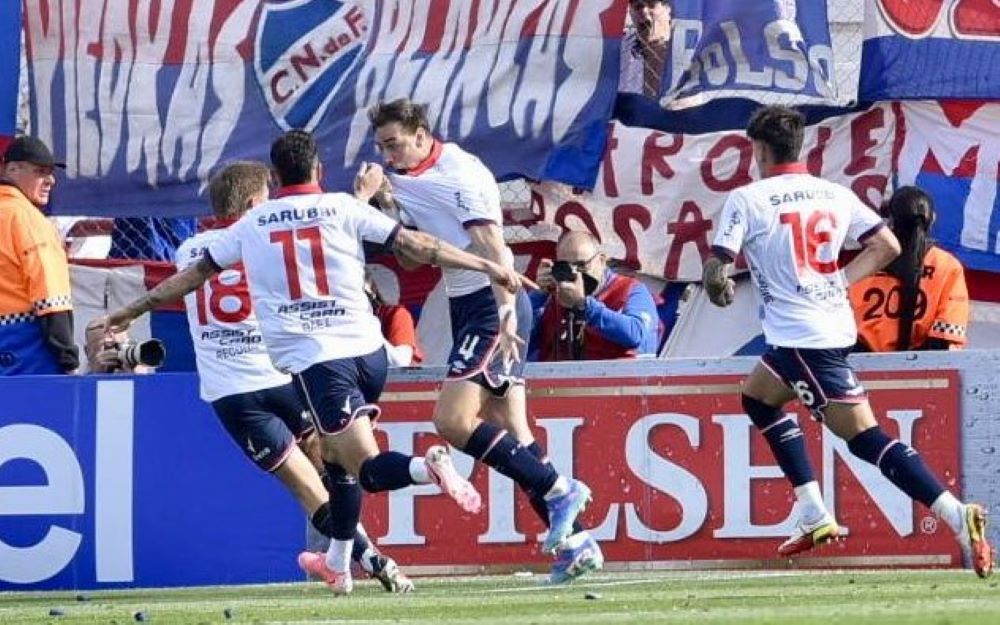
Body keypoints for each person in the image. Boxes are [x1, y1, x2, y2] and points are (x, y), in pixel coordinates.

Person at [102, 130, 527, 595]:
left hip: (284, 373)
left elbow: (188, 280)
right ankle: (340, 564)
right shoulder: (339, 209)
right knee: (338, 467)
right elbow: (417, 246)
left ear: (275, 178)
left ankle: (426, 469)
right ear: (319, 171)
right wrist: (490, 265)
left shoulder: (234, 234)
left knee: (352, 471)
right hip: (362, 356)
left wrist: (130, 311)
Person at [702, 105, 993, 578]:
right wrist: (838, 279)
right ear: (800, 147)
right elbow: (888, 246)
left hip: (803, 337)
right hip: (827, 327)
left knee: (864, 438)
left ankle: (956, 514)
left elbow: (716, 272)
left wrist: (720, 286)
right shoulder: (833, 194)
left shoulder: (748, 199)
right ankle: (814, 511)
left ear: (758, 149)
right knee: (757, 397)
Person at [367, 98, 602, 584]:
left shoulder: (460, 174)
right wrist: (387, 208)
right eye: (381, 146)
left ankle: (560, 490)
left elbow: (494, 246)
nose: (388, 155)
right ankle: (578, 545)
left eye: (393, 144)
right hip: (467, 303)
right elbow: (416, 259)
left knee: (452, 422)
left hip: (490, 308)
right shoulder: (408, 179)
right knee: (513, 432)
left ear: (420, 134)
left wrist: (506, 313)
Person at [175, 160, 414, 593]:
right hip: (286, 377)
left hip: (233, 395)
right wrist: (360, 200)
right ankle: (354, 554)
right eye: (266, 198)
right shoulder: (261, 237)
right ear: (253, 204)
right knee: (340, 466)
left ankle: (368, 557)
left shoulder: (188, 250)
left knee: (307, 491)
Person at [850, 186, 969, 352]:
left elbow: (843, 325)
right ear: (932, 219)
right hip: (925, 368)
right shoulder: (947, 266)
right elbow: (947, 336)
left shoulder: (866, 260)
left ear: (890, 221)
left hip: (861, 363)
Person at [0, 136, 79, 375]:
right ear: (12, 169)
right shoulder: (28, 219)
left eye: (51, 173)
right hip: (25, 349)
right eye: (40, 172)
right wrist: (67, 357)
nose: (51, 181)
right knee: (32, 412)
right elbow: (51, 297)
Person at [529, 230, 659, 361]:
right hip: (557, 377)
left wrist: (584, 306)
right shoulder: (553, 298)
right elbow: (520, 342)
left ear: (601, 260)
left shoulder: (630, 290)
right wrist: (539, 294)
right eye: (566, 266)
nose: (575, 274)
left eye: (581, 265)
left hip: (615, 376)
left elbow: (636, 335)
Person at [364, 268, 423, 366]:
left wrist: (360, 326)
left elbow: (401, 363)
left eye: (359, 293)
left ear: (373, 290)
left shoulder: (395, 314)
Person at [619, 0, 672, 98]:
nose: (644, 11)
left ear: (668, 10)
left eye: (652, 5)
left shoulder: (685, 54)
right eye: (638, 7)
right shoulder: (620, 54)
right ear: (630, 13)